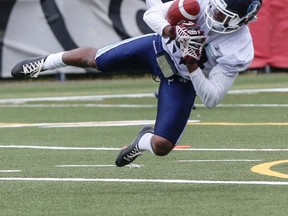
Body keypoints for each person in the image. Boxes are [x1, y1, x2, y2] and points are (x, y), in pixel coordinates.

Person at [11, 0, 262, 167]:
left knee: (162, 146)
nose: (214, 15)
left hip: (183, 80)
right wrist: (171, 31)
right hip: (158, 48)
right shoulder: (198, 4)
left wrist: (192, 64)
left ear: (243, 20)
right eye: (216, 8)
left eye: (222, 15)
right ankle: (46, 63)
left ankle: (142, 140)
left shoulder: (239, 47)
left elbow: (211, 98)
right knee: (96, 60)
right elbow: (152, 14)